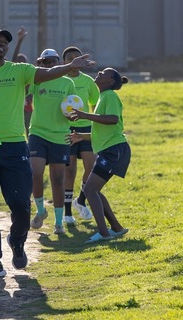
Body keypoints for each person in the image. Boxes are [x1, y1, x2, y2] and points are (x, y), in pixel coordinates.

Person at [0, 28, 95, 280]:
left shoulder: (19, 71)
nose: (2, 45)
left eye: (5, 42)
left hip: (15, 148)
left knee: (22, 208)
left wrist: (68, 67)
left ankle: (17, 240)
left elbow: (46, 73)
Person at [69, 68, 130, 244]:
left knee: (89, 190)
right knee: (93, 189)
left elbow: (112, 119)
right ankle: (116, 228)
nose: (99, 73)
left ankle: (104, 233)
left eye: (104, 73)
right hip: (111, 149)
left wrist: (84, 115)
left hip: (114, 150)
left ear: (110, 81)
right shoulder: (104, 96)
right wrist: (82, 136)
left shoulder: (110, 95)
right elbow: (102, 130)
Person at [28, 48, 76, 235]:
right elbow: (24, 85)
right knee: (35, 172)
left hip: (60, 135)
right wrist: (36, 69)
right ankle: (40, 211)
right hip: (38, 133)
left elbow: (72, 106)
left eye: (53, 61)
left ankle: (58, 223)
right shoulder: (37, 80)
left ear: (59, 61)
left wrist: (73, 117)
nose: (50, 65)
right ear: (41, 63)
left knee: (57, 179)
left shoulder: (67, 82)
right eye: (45, 62)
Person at [61, 46, 100, 224]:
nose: (74, 61)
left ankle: (81, 201)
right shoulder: (59, 80)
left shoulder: (88, 81)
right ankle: (67, 213)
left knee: (90, 168)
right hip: (66, 130)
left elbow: (94, 105)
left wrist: (96, 128)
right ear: (64, 62)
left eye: (77, 58)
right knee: (69, 170)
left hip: (86, 128)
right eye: (69, 58)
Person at [10, 26, 33, 137]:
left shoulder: (29, 77)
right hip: (15, 109)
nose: (20, 64)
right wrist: (19, 41)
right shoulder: (12, 76)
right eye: (19, 62)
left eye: (23, 62)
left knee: (29, 129)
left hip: (27, 109)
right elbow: (14, 60)